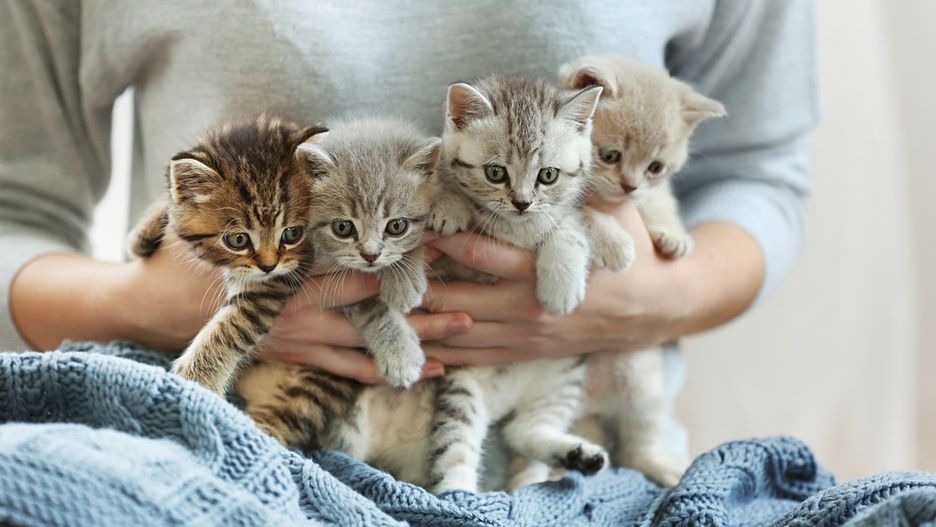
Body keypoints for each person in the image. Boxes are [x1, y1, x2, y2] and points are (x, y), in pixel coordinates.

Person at [0, 1, 816, 458]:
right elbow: (15, 208)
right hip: (225, 452)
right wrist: (156, 305)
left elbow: (761, 170)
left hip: (574, 470)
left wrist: (659, 299)